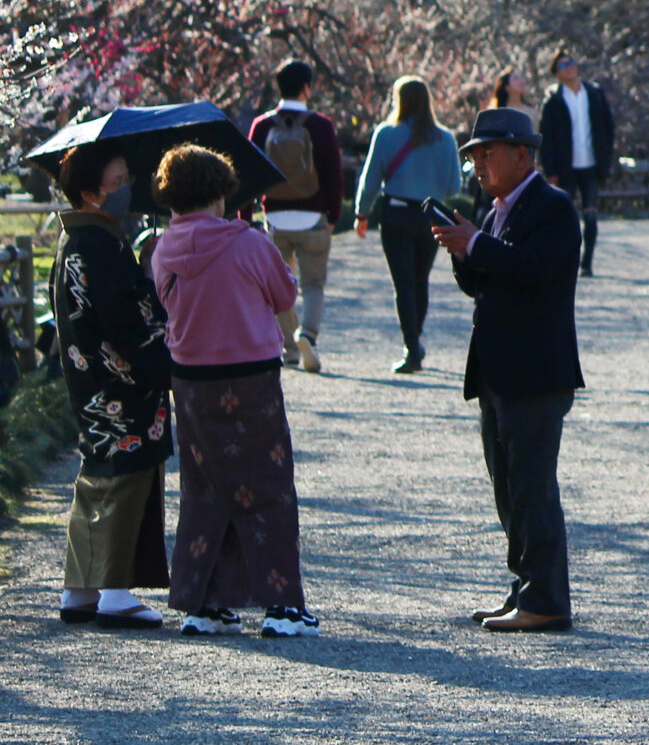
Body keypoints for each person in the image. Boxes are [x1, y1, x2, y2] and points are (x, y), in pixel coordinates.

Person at [150, 145, 319, 639]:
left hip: (191, 380)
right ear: (220, 193)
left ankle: (205, 603)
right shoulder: (248, 243)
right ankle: (282, 605)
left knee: (206, 488)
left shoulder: (163, 250)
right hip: (250, 377)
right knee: (266, 487)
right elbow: (285, 296)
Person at [431, 107, 583, 632]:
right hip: (498, 370)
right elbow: (484, 284)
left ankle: (546, 597)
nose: (478, 166)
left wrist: (474, 243)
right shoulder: (495, 211)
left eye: (486, 154)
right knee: (507, 487)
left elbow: (535, 271)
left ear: (523, 154)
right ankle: (526, 586)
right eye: (473, 157)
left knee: (531, 486)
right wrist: (463, 250)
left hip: (537, 372)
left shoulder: (553, 207)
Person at [49, 143, 171, 629]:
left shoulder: (78, 241)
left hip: (90, 377)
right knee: (128, 473)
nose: (127, 190)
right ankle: (116, 592)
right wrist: (159, 357)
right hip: (122, 375)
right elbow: (125, 319)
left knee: (96, 476)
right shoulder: (100, 246)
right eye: (118, 183)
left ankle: (79, 588)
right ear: (89, 192)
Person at [351, 76, 465, 375]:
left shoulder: (387, 133)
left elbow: (370, 178)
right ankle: (416, 341)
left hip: (396, 213)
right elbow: (454, 187)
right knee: (420, 280)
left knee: (402, 283)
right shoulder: (446, 138)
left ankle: (411, 346)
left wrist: (362, 213)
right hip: (431, 216)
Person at [248, 60, 344, 373]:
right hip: (313, 216)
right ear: (306, 87)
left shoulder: (262, 125)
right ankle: (309, 337)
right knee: (313, 283)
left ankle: (289, 348)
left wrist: (244, 214)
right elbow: (333, 174)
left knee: (279, 284)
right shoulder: (320, 125)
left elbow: (249, 172)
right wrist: (333, 213)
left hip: (276, 217)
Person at [537, 53, 614, 278]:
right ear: (557, 73)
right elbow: (546, 138)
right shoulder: (553, 99)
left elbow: (608, 128)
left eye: (572, 62)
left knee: (590, 215)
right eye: (564, 65)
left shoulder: (595, 93)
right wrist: (550, 170)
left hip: (591, 164)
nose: (570, 68)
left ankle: (587, 262)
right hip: (565, 167)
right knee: (565, 217)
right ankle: (564, 260)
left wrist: (606, 160)